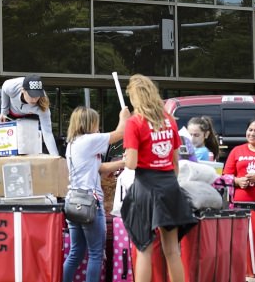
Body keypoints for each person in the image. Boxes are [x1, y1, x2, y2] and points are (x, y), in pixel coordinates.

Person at [121, 75, 197, 282]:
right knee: (172, 249)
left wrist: (126, 155)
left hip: (146, 186)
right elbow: (175, 160)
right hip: (169, 185)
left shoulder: (134, 123)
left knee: (144, 248)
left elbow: (131, 164)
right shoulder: (169, 120)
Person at [63, 105, 129, 282]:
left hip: (73, 201)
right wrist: (123, 115)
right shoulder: (89, 140)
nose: (98, 127)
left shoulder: (74, 143)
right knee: (95, 253)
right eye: (96, 123)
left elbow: (99, 168)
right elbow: (120, 132)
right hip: (89, 203)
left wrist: (123, 162)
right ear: (89, 123)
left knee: (75, 252)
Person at [0, 74, 60, 156]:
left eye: (37, 95)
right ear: (23, 90)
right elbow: (4, 88)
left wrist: (55, 156)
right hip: (12, 113)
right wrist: (4, 111)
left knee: (29, 145)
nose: (34, 99)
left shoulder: (42, 106)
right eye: (31, 95)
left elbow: (47, 133)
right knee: (10, 143)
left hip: (30, 116)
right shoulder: (12, 87)